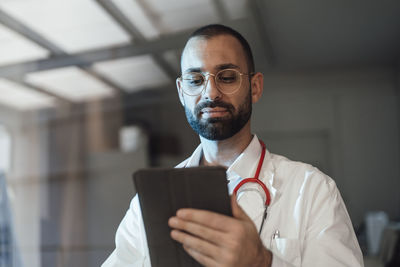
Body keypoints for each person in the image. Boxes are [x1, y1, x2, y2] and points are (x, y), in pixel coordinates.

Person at [102, 24, 364, 267]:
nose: (211, 93)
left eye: (227, 77)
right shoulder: (149, 203)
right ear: (182, 92)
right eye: (195, 80)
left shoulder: (312, 190)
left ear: (255, 87)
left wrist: (261, 261)